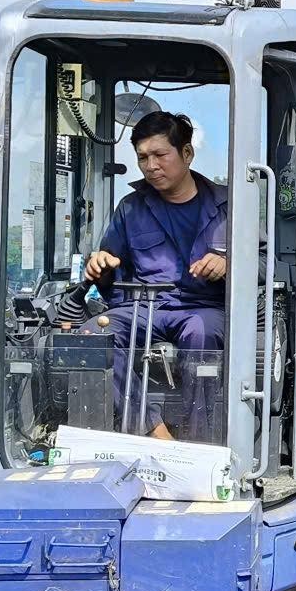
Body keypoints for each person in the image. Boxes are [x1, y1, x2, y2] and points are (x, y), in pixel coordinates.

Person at [83, 111, 226, 441]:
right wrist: (100, 265)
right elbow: (109, 268)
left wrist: (227, 264)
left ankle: (197, 442)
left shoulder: (228, 206)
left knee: (201, 334)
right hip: (144, 308)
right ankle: (156, 431)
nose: (150, 166)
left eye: (160, 155)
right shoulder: (131, 208)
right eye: (142, 158)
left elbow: (264, 263)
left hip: (202, 308)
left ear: (186, 153)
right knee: (92, 334)